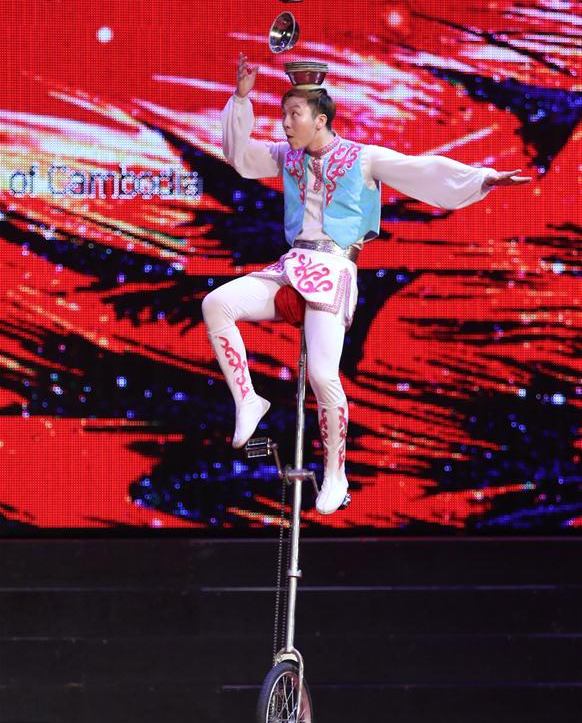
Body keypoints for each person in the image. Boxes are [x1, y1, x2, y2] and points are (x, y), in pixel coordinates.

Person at [201, 53, 531, 516]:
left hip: (334, 273)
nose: (286, 124)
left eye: (293, 115)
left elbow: (423, 170)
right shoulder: (287, 157)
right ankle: (249, 399)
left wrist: (482, 178)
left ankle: (336, 472)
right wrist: (241, 98)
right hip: (291, 265)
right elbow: (241, 157)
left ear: (320, 119)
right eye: (282, 115)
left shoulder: (363, 158)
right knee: (217, 304)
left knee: (321, 375)